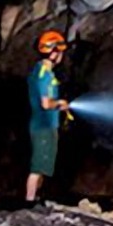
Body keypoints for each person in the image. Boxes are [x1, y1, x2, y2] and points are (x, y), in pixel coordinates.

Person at [25, 30, 70, 203]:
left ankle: (35, 198)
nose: (61, 56)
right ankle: (29, 201)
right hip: (43, 126)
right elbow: (45, 103)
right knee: (37, 167)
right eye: (60, 52)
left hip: (46, 125)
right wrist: (61, 104)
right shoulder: (45, 75)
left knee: (43, 166)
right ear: (53, 52)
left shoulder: (41, 71)